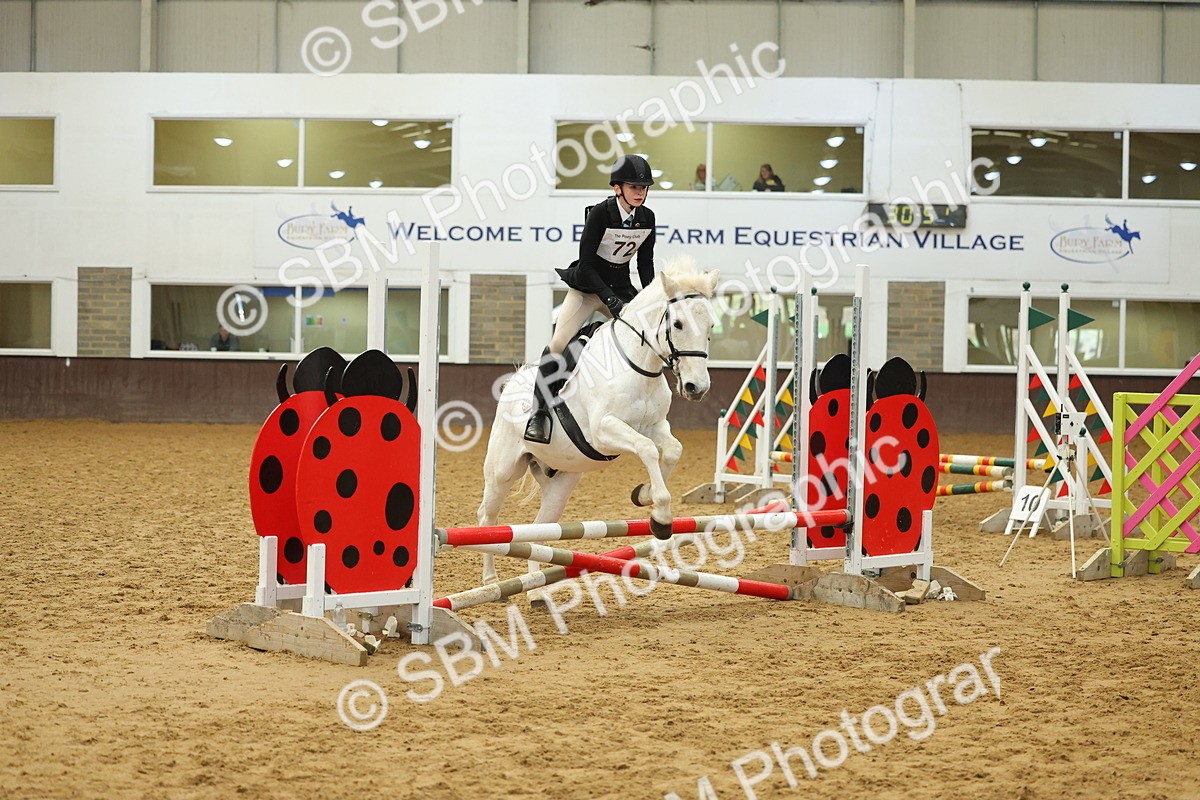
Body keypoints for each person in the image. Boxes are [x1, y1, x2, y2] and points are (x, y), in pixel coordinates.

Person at [523, 154, 657, 444]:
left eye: (644, 188)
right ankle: (539, 414)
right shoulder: (600, 214)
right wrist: (608, 300)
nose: (640, 192)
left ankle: (646, 407)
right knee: (559, 343)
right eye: (634, 187)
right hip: (587, 288)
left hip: (620, 288)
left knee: (648, 337)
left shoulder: (647, 218)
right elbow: (586, 264)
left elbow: (645, 264)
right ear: (617, 188)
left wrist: (649, 300)